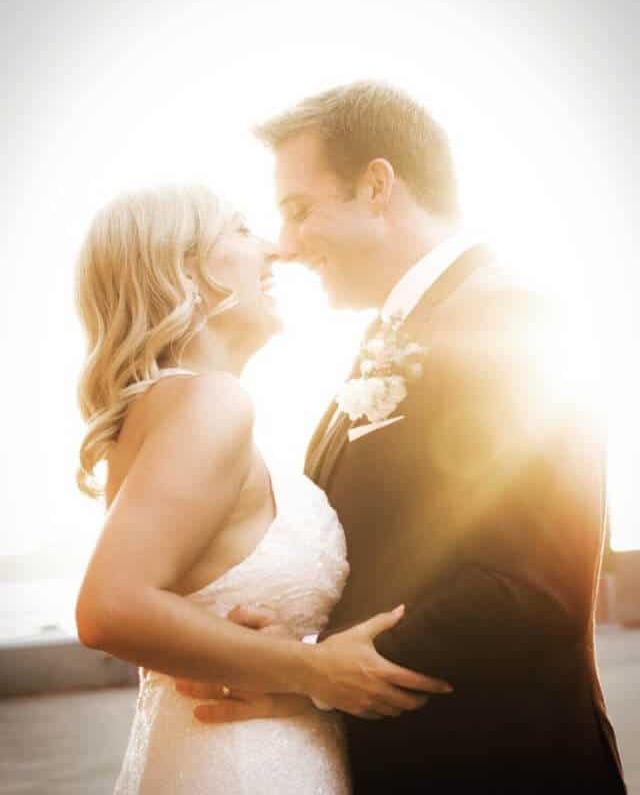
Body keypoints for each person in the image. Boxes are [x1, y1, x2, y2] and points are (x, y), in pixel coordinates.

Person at [181, 82, 627, 793]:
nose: (285, 246)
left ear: (377, 187)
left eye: (299, 210)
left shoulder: (512, 314)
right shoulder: (395, 335)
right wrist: (300, 652)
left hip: (505, 769)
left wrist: (314, 671)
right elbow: (391, 560)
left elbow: (530, 587)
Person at [73, 185, 451, 795]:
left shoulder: (163, 409)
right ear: (183, 271)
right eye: (242, 230)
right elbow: (109, 607)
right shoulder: (209, 402)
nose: (274, 249)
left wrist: (293, 663)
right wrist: (313, 669)